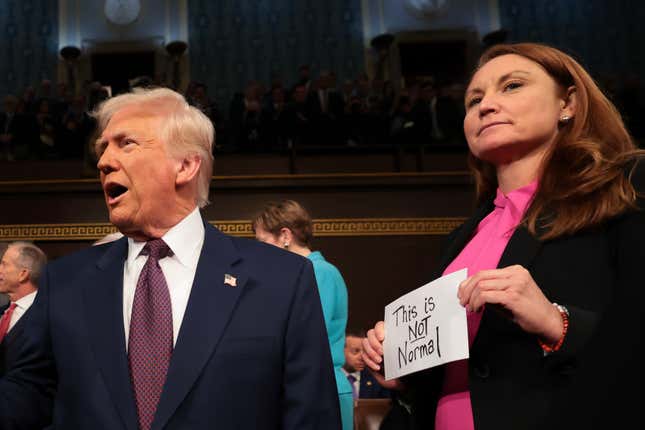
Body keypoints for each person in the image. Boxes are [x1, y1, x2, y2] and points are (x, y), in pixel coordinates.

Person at [0, 87, 340, 429]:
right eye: (103, 148)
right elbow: (28, 393)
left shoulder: (282, 279)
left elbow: (311, 417)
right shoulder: (65, 281)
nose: (103, 162)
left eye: (126, 143)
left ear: (186, 165)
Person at [362, 42, 645, 430]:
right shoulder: (463, 236)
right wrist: (403, 370)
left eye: (511, 86)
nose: (486, 105)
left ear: (569, 103)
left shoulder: (629, 186)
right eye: (473, 99)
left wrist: (556, 322)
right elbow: (457, 377)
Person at [252, 199, 353, 430]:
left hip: (320, 389)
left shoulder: (319, 272)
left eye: (263, 242)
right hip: (306, 387)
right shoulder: (303, 273)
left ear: (285, 236)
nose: (259, 251)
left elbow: (306, 336)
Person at [343, 328, 391, 400]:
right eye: (356, 351)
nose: (362, 357)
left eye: (364, 351)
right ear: (341, 351)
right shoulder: (328, 378)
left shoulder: (376, 378)